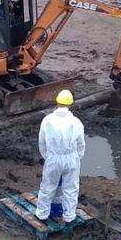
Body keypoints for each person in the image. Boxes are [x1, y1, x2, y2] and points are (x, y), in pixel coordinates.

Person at [36, 89, 86, 223]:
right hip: (71, 158)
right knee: (71, 188)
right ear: (70, 104)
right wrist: (76, 158)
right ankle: (69, 216)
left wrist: (48, 157)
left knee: (48, 187)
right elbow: (81, 144)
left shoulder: (48, 120)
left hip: (53, 157)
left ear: (57, 102)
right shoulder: (76, 122)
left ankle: (42, 214)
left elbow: (42, 142)